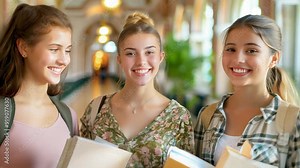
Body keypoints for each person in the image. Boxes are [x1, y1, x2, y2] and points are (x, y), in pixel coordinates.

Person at [80, 12, 194, 167]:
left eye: (149, 52)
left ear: (160, 57)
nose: (141, 61)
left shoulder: (179, 118)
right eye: (130, 53)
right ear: (119, 59)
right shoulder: (96, 110)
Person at [194, 14, 300, 167]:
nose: (238, 59)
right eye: (231, 49)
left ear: (274, 59)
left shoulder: (293, 121)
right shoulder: (208, 116)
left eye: (251, 50)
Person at [0, 3, 78, 168]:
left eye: (68, 50)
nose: (64, 60)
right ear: (24, 47)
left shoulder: (69, 117)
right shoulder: (2, 113)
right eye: (54, 49)